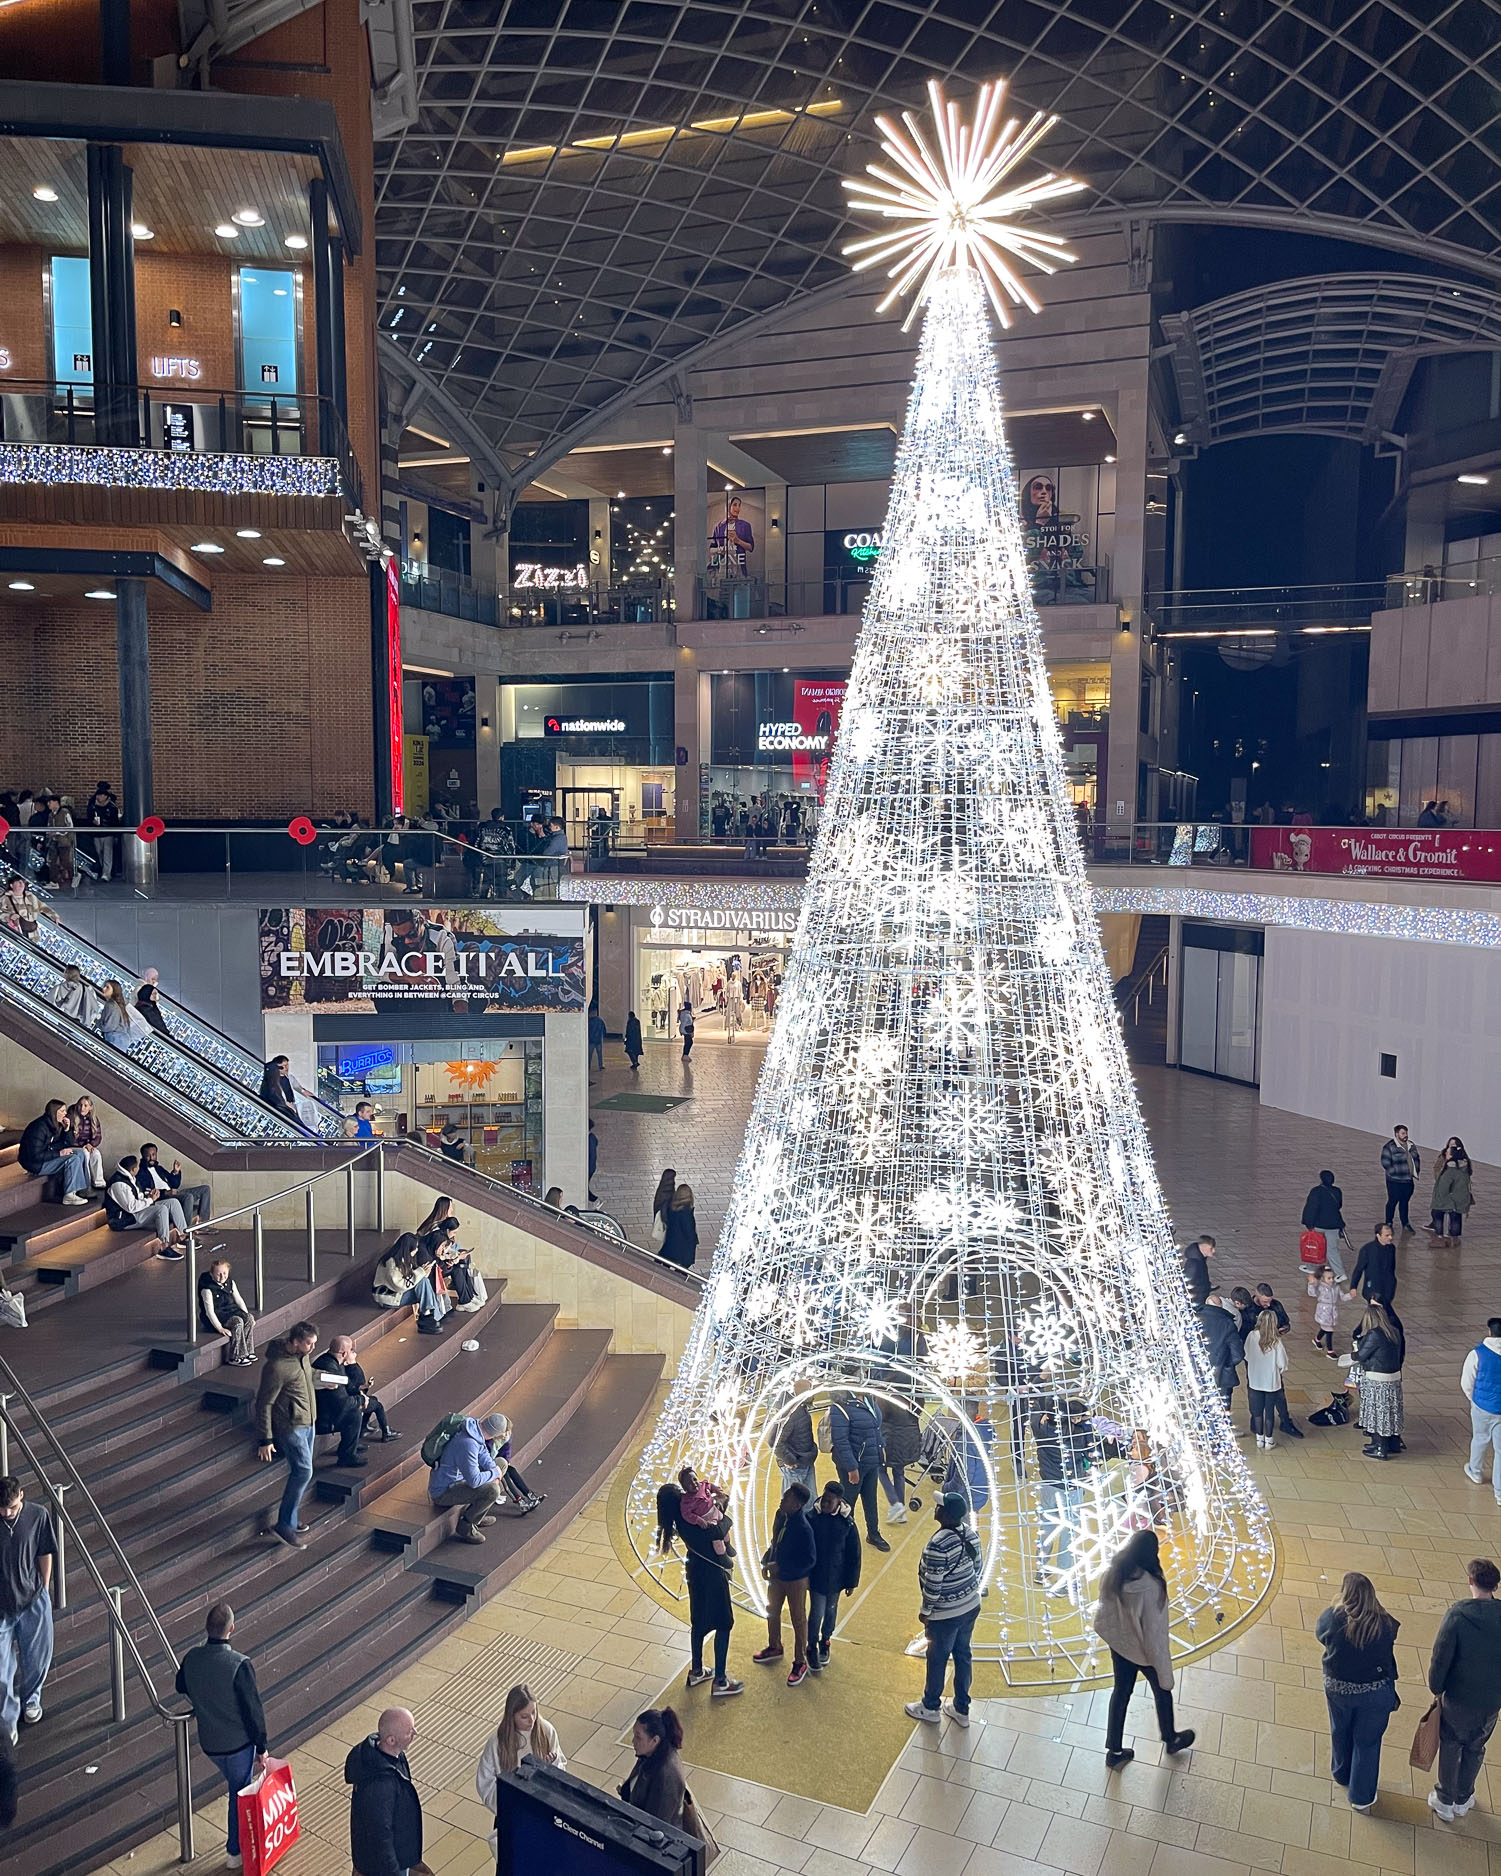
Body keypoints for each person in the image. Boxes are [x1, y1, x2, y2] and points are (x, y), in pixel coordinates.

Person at [174, 1601, 269, 1868]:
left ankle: (237, 1848)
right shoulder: (239, 1664)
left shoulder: (192, 1657)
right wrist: (261, 1747)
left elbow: (180, 1684)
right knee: (239, 1793)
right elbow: (253, 1712)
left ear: (206, 1629)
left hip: (210, 1743)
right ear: (232, 1628)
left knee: (235, 1785)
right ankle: (234, 1853)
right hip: (238, 1745)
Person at [1094, 1530, 1195, 1767]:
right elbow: (1154, 1635)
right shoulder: (1150, 1588)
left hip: (1120, 1646)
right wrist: (1163, 1669)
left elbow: (1105, 1614)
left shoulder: (1113, 1573)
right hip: (1143, 1652)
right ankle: (1171, 1738)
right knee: (1162, 1691)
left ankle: (1114, 1751)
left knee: (1120, 1693)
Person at [1315, 1571, 1399, 1811]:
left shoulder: (1332, 1617)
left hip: (1337, 1688)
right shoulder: (1384, 1624)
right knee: (1367, 1741)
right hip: (1373, 1693)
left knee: (1339, 1729)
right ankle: (1361, 1798)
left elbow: (1320, 1636)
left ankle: (1341, 1774)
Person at [1427, 1558, 1501, 1820]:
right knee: (1476, 1746)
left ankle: (1445, 1799)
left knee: (1451, 1743)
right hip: (1491, 1701)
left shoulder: (1458, 1614)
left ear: (1470, 1581)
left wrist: (1436, 1687)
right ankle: (1464, 1796)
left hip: (1459, 1698)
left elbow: (1441, 1656)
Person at [657, 1483, 743, 1698]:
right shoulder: (693, 1522)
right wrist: (723, 1511)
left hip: (695, 1573)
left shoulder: (679, 1523)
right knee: (724, 1623)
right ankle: (720, 1681)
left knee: (699, 1623)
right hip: (713, 1575)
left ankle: (697, 1670)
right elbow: (720, 1528)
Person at [905, 1490, 983, 1726]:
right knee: (963, 1654)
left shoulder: (937, 1545)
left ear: (947, 1514)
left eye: (940, 1506)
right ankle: (961, 1708)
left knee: (937, 1658)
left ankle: (930, 1706)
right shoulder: (971, 1534)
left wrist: (926, 1611)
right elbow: (977, 1567)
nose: (936, 1508)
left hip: (946, 1613)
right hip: (970, 1605)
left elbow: (933, 1584)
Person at [253, 1321, 322, 1549]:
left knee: (303, 1471)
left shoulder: (302, 1357)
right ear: (295, 1342)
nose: (313, 1347)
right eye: (309, 1343)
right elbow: (264, 1403)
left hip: (308, 1422)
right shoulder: (276, 1367)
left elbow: (307, 1376)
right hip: (291, 1426)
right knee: (303, 1471)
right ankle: (284, 1524)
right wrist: (266, 1439)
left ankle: (290, 1519)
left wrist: (326, 1380)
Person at [0, 1474, 56, 1744]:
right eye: (2, 1508)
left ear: (21, 1495)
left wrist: (44, 1586)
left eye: (11, 1506)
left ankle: (31, 1700)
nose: (6, 1513)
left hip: (31, 1597)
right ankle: (8, 1719)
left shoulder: (37, 1515)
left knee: (37, 1657)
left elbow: (44, 1551)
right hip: (2, 1605)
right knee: (1, 1668)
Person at [475, 1683, 566, 1847]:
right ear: (512, 1716)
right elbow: (485, 1782)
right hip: (512, 1815)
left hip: (542, 1814)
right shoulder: (497, 1742)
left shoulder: (546, 1731)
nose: (531, 1720)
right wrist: (507, 1801)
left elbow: (561, 1771)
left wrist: (549, 1770)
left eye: (534, 1712)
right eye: (524, 1716)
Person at [346, 1707, 423, 1876]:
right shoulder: (380, 1786)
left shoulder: (390, 1756)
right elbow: (380, 1835)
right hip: (383, 1867)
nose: (415, 1733)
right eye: (409, 1731)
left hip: (394, 1855)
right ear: (391, 1740)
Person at [754, 1481, 815, 1685]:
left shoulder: (804, 1528)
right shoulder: (781, 1516)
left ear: (797, 1505)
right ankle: (775, 1646)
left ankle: (800, 1661)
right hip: (777, 1574)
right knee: (772, 1609)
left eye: (787, 1497)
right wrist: (767, 1561)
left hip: (795, 1579)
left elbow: (809, 1560)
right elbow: (775, 1543)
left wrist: (781, 1568)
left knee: (798, 1619)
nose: (782, 1499)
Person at [1032, 1400, 1093, 1589]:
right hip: (1070, 1488)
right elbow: (1089, 1449)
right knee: (1068, 1533)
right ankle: (1064, 1579)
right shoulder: (1077, 1435)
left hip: (1048, 1485)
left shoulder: (1039, 1429)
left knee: (1047, 1527)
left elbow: (1034, 1409)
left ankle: (1041, 1569)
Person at [807, 1480, 861, 1668]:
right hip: (816, 1577)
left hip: (836, 1579)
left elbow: (854, 1554)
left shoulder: (847, 1524)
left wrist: (851, 1582)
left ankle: (826, 1640)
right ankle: (811, 1645)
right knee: (816, 1613)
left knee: (831, 1611)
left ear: (839, 1502)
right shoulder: (811, 1518)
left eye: (830, 1501)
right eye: (824, 1499)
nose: (825, 1504)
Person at [428, 1414, 504, 1543]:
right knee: (492, 1490)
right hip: (444, 1492)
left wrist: (494, 1469)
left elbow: (483, 1453)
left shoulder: (474, 1429)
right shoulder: (468, 1444)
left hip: (460, 1481)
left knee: (501, 1463)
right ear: (494, 1434)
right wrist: (494, 1474)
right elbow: (474, 1481)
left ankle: (477, 1517)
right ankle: (466, 1526)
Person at [830, 1390, 888, 1552]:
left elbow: (875, 1428)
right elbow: (840, 1441)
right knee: (848, 1503)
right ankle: (845, 1538)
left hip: (870, 1461)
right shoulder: (839, 1407)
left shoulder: (869, 1400)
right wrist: (851, 1468)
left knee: (871, 1500)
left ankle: (873, 1534)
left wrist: (881, 1446)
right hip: (853, 1465)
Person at [316, 1332, 397, 1443]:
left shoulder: (331, 1361)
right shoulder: (335, 1368)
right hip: (330, 1415)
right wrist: (361, 1399)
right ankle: (386, 1432)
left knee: (371, 1402)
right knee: (375, 1405)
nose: (354, 1352)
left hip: (337, 1406)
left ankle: (362, 1430)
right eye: (351, 1350)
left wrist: (361, 1389)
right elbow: (342, 1398)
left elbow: (348, 1385)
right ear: (344, 1353)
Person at [1351, 1300, 1405, 1460]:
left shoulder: (1374, 1334)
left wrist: (1357, 1345)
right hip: (1394, 1378)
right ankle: (1393, 1443)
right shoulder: (1394, 1331)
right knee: (1391, 1412)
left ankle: (1380, 1448)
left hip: (1377, 1379)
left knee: (1377, 1412)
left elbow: (1360, 1355)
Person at [105, 1155, 188, 1258]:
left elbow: (137, 1197)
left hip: (135, 1211)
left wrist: (148, 1196)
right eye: (138, 1166)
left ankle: (184, 1236)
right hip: (124, 1219)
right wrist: (150, 1200)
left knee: (173, 1202)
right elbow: (131, 1207)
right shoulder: (118, 1184)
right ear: (133, 1169)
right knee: (161, 1209)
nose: (139, 1168)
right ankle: (164, 1247)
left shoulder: (129, 1177)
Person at [619, 1708, 687, 1827]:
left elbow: (655, 1825)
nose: (633, 1741)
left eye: (638, 1737)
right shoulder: (649, 1754)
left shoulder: (666, 1776)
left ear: (655, 1740)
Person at [19, 1099, 92, 1205]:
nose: (65, 1114)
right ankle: (69, 1195)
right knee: (73, 1159)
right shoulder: (38, 1128)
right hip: (34, 1164)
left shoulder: (57, 1124)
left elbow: (67, 1143)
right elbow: (35, 1155)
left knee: (80, 1153)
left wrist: (67, 1130)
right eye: (62, 1111)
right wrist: (59, 1154)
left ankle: (82, 1188)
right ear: (54, 1112)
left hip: (48, 1155)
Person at [373, 1233, 446, 1334]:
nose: (416, 1250)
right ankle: (429, 1316)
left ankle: (430, 1315)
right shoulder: (391, 1262)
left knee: (424, 1283)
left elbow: (410, 1279)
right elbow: (400, 1285)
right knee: (423, 1283)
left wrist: (424, 1273)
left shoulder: (403, 1258)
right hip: (388, 1296)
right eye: (415, 1248)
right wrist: (421, 1272)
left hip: (397, 1293)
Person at [1462, 1318, 1501, 1500]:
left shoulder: (1478, 1354)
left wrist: (1474, 1400)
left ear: (1489, 1332)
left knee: (1480, 1439)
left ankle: (1475, 1471)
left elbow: (1467, 1382)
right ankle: (1499, 1494)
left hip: (1482, 1406)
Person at [480, 1413, 544, 1514]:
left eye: (508, 1431)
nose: (506, 1434)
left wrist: (506, 1462)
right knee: (504, 1473)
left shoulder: (507, 1437)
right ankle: (520, 1501)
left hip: (496, 1460)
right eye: (504, 1432)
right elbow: (484, 1457)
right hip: (486, 1464)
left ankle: (529, 1494)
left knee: (511, 1470)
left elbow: (506, 1452)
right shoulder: (488, 1439)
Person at [198, 1256, 256, 1366]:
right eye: (218, 1274)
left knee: (249, 1318)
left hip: (231, 1310)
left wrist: (246, 1313)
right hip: (218, 1315)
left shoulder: (230, 1282)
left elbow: (238, 1299)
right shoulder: (207, 1289)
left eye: (225, 1273)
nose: (222, 1277)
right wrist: (219, 1328)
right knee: (237, 1322)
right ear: (212, 1274)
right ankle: (235, 1356)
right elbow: (209, 1312)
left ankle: (248, 1350)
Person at [138, 1142, 212, 1226]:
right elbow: (147, 1192)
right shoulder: (141, 1173)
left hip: (174, 1193)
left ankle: (202, 1224)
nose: (152, 1158)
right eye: (148, 1155)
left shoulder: (159, 1168)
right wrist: (165, 1192)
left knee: (205, 1189)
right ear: (143, 1156)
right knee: (188, 1197)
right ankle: (187, 1230)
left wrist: (175, 1172)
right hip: (163, 1198)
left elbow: (175, 1184)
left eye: (154, 1155)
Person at [1245, 1309, 1289, 1451]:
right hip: (1271, 1382)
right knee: (1269, 1411)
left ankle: (1259, 1439)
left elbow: (1246, 1355)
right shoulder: (1276, 1341)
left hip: (1255, 1380)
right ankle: (1269, 1440)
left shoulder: (1251, 1336)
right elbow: (1283, 1364)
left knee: (1257, 1411)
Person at [1196, 1293, 1244, 1418]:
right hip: (1222, 1375)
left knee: (1202, 1406)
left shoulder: (1194, 1320)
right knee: (1222, 1409)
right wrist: (1227, 1363)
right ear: (1221, 1306)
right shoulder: (1227, 1323)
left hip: (1198, 1373)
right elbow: (1238, 1355)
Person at [879, 1397, 922, 1526]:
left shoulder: (886, 1393)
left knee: (879, 1469)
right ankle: (901, 1511)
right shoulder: (914, 1392)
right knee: (899, 1472)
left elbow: (880, 1416)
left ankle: (895, 1503)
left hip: (890, 1437)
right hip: (909, 1437)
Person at [774, 1380, 818, 1501]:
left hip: (804, 1462)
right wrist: (790, 1460)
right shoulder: (790, 1415)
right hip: (795, 1467)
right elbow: (775, 1442)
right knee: (793, 1505)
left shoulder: (800, 1410)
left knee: (810, 1503)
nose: (814, 1395)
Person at [1301, 1169, 1349, 1280]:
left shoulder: (1316, 1191)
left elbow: (1311, 1208)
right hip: (1334, 1225)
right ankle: (1340, 1273)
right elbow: (1339, 1205)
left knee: (1313, 1246)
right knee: (1332, 1250)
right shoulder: (1337, 1191)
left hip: (1319, 1225)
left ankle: (1311, 1266)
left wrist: (1309, 1223)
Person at [1430, 1138, 1474, 1246]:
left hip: (1448, 1199)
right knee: (1456, 1217)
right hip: (1460, 1198)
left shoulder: (1450, 1171)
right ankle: (1454, 1239)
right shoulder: (1464, 1167)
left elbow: (1443, 1187)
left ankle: (1439, 1238)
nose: (1447, 1152)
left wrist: (1441, 1195)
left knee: (1437, 1213)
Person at [1381, 1125, 1420, 1232]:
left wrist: (1415, 1171)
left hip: (1408, 1181)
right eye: (1403, 1133)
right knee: (1392, 1201)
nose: (1405, 1135)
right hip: (1394, 1181)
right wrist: (1396, 1172)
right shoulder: (1389, 1147)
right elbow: (1385, 1163)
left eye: (1406, 1133)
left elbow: (1416, 1159)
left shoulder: (1411, 1145)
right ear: (1396, 1134)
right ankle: (1389, 1221)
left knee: (1404, 1202)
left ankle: (1405, 1223)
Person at [1347, 1221, 1397, 1305]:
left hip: (1388, 1288)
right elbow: (1359, 1269)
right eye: (1387, 1235)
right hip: (1373, 1289)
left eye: (1391, 1235)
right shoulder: (1367, 1249)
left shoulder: (1391, 1248)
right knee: (1385, 1315)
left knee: (1381, 1314)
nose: (1390, 1237)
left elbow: (1392, 1267)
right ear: (1378, 1235)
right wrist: (1353, 1287)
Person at [64, 1096, 106, 1189]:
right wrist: (82, 1145)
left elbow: (98, 1136)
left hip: (87, 1145)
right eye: (80, 1105)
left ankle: (98, 1181)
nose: (82, 1108)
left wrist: (91, 1144)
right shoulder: (71, 1116)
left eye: (85, 1105)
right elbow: (68, 1135)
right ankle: (86, 1182)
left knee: (96, 1154)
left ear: (90, 1107)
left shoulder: (94, 1119)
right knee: (85, 1154)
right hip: (73, 1146)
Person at [99, 979, 149, 1053]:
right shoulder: (121, 1004)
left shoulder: (111, 1004)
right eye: (104, 986)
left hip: (113, 1040)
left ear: (114, 990)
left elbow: (109, 1026)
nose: (104, 989)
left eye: (107, 987)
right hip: (122, 1041)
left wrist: (98, 1022)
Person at [84, 781, 120, 882]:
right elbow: (89, 818)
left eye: (102, 795)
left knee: (107, 854)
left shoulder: (112, 807)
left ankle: (106, 874)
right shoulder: (92, 806)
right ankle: (103, 871)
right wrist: (92, 822)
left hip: (108, 833)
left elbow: (115, 821)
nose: (100, 797)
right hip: (97, 833)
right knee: (99, 853)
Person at [660, 1184, 699, 1270]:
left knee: (667, 1262)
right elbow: (689, 1231)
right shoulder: (685, 1213)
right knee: (683, 1268)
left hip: (671, 1243)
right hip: (683, 1246)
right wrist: (694, 1241)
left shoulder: (671, 1207)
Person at [52, 964, 102, 1030]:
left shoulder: (63, 987)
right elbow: (94, 1007)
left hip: (64, 1019)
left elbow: (58, 1003)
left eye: (65, 971)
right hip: (78, 1023)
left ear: (68, 973)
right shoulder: (86, 989)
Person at [0, 875, 50, 939]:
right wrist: (9, 916)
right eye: (18, 882)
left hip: (32, 932)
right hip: (16, 932)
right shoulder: (4, 899)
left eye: (22, 882)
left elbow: (42, 906)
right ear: (11, 885)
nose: (21, 884)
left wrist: (54, 916)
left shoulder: (30, 897)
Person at [258, 1056, 301, 1123]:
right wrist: (288, 1106)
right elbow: (277, 1102)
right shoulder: (271, 1086)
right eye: (281, 1067)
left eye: (286, 1065)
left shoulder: (279, 1081)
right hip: (284, 1116)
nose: (285, 1068)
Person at [1313, 1266, 1342, 1356]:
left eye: (1332, 1278)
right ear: (1322, 1278)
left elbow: (1342, 1296)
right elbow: (1312, 1293)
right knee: (1329, 1330)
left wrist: (1350, 1295)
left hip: (1332, 1311)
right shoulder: (1320, 1287)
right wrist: (1311, 1284)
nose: (1331, 1280)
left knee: (1325, 1328)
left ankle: (1317, 1339)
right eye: (1329, 1278)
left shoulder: (1336, 1287)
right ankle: (1330, 1350)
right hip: (1324, 1311)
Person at [1179, 1234, 1216, 1305]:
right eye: (1211, 1248)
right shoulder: (1194, 1264)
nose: (1214, 1251)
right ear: (1203, 1247)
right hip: (1197, 1300)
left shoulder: (1199, 1259)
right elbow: (1189, 1283)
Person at [650, 1167, 677, 1248]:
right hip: (667, 1219)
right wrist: (667, 1222)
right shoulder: (668, 1191)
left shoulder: (662, 1188)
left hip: (663, 1216)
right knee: (668, 1243)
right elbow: (664, 1208)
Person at [588, 1006, 606, 1073]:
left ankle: (588, 1065)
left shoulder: (590, 1021)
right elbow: (604, 1029)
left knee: (590, 1054)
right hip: (598, 1040)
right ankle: (600, 1066)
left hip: (591, 1040)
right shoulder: (600, 1020)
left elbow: (587, 1030)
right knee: (599, 1053)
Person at [587, 1118, 600, 1203]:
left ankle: (590, 1196)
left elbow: (591, 1154)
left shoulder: (590, 1139)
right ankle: (590, 1196)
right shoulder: (592, 1137)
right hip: (591, 1166)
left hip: (590, 1167)